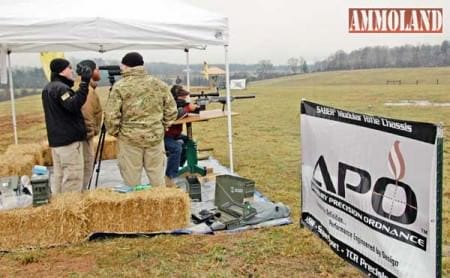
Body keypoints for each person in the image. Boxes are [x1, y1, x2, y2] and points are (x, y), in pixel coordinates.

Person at [104, 52, 177, 187]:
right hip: (155, 138)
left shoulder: (120, 86)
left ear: (125, 66)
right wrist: (162, 126)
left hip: (129, 139)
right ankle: (159, 206)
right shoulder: (159, 84)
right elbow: (172, 110)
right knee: (157, 179)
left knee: (131, 181)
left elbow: (111, 115)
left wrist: (116, 132)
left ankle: (136, 205)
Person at [41, 58, 92, 193]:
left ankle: (58, 207)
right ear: (62, 71)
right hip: (68, 142)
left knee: (59, 176)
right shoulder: (61, 88)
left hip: (57, 142)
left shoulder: (48, 88)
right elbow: (73, 105)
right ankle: (70, 208)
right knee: (73, 177)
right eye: (69, 68)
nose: (72, 71)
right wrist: (85, 83)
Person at [75, 60, 103, 190]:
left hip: (83, 134)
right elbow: (85, 115)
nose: (99, 72)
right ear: (90, 72)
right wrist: (90, 133)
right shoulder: (87, 91)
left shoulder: (87, 88)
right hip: (85, 136)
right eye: (97, 69)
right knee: (87, 164)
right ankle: (82, 193)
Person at [164, 85, 199, 185]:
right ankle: (170, 176)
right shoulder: (169, 106)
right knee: (176, 149)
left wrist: (197, 107)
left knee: (189, 142)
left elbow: (185, 111)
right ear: (174, 97)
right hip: (165, 135)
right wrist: (188, 108)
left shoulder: (181, 105)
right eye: (182, 97)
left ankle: (179, 165)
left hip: (175, 135)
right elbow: (176, 115)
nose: (184, 99)